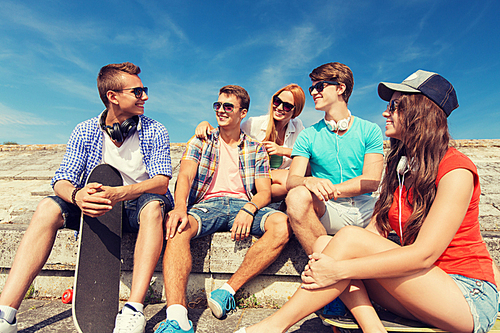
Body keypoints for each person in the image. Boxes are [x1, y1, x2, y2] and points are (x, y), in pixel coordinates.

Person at [237, 70, 499, 333]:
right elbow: (374, 231)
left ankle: (271, 327)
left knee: (347, 244)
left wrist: (338, 270)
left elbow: (423, 255)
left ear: (421, 112)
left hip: (465, 297)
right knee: (325, 242)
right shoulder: (404, 169)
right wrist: (332, 261)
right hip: (421, 290)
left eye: (395, 106)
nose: (386, 113)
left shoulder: (456, 169)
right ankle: (373, 329)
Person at [0, 62, 174, 333]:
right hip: (96, 205)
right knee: (47, 206)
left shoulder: (155, 130)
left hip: (138, 204)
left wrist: (121, 193)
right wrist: (77, 195)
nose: (145, 97)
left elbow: (162, 183)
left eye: (145, 90)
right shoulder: (85, 130)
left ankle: (133, 309)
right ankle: (6, 313)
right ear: (113, 96)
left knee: (153, 206)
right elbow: (61, 178)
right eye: (138, 92)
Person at [154, 85, 290, 333]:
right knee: (176, 227)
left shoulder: (256, 148)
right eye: (217, 105)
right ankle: (177, 317)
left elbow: (264, 192)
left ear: (242, 113)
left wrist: (249, 209)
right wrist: (181, 207)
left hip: (244, 204)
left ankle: (227, 290)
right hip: (208, 205)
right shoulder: (200, 140)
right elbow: (184, 177)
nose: (221, 110)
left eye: (228, 106)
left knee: (281, 224)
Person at [286, 62, 384, 255]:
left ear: (340, 88)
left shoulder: (370, 129)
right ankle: (323, 263)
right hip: (330, 211)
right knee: (296, 196)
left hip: (368, 209)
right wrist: (308, 181)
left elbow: (372, 181)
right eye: (312, 87)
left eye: (320, 86)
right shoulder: (307, 135)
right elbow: (292, 180)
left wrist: (330, 189)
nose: (313, 92)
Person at [195, 84, 306, 202]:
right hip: (255, 175)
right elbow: (227, 134)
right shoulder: (254, 123)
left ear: (296, 110)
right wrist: (205, 124)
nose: (279, 107)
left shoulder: (297, 126)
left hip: (275, 176)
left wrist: (283, 151)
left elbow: (308, 154)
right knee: (288, 181)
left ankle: (262, 196)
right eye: (277, 101)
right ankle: (256, 195)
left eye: (287, 106)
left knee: (300, 174)